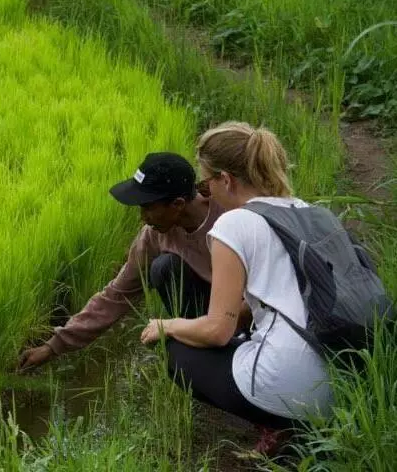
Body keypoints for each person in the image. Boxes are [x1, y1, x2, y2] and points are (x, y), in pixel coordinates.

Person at [139, 122, 334, 455]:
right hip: (338, 379)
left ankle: (278, 423)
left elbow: (217, 330)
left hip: (293, 384)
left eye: (205, 183)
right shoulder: (310, 212)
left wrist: (165, 325)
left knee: (174, 352)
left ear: (225, 180)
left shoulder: (234, 223)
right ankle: (304, 423)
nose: (204, 193)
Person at [18, 152, 226, 370]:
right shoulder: (154, 236)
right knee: (164, 268)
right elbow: (117, 295)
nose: (142, 217)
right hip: (209, 312)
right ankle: (203, 347)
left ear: (177, 204)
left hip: (246, 308)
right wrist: (53, 346)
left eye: (147, 207)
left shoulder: (230, 215)